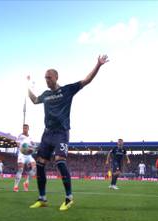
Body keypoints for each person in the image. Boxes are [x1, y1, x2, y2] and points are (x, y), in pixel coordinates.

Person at [27, 54, 109, 211]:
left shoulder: (67, 90)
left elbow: (86, 81)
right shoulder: (45, 95)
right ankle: (42, 198)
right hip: (47, 134)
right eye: (45, 78)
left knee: (59, 161)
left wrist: (98, 65)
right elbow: (34, 100)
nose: (47, 80)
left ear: (56, 77)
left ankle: (69, 198)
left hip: (61, 133)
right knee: (40, 164)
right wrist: (27, 88)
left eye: (49, 77)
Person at [14, 124, 36, 192]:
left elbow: (33, 146)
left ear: (28, 129)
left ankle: (26, 182)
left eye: (26, 128)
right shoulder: (20, 136)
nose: (25, 129)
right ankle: (16, 186)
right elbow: (17, 144)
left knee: (34, 168)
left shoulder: (30, 137)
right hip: (22, 154)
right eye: (24, 128)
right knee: (20, 169)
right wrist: (23, 147)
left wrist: (32, 147)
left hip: (28, 155)